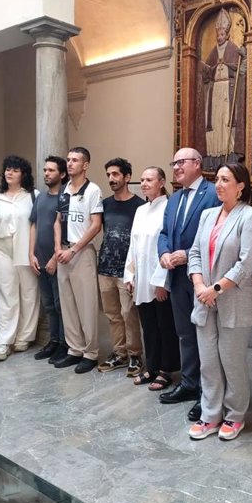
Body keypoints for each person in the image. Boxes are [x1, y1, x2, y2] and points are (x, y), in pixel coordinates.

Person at [187, 162, 252, 441]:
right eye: (216, 179)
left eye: (225, 179)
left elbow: (247, 263)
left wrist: (215, 289)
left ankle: (234, 416)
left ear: (241, 185)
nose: (218, 184)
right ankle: (210, 415)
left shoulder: (251, 217)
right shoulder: (208, 215)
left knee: (231, 362)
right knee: (208, 362)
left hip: (232, 301)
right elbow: (194, 252)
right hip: (204, 298)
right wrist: (199, 285)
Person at [158, 147, 220, 422]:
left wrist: (187, 253)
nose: (176, 167)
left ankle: (208, 393)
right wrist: (164, 253)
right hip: (176, 277)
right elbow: (164, 233)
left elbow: (217, 233)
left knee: (206, 336)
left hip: (203, 279)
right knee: (185, 334)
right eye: (174, 163)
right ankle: (189, 382)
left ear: (197, 164)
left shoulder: (212, 194)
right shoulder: (173, 199)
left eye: (181, 162)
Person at [123, 167, 180, 391]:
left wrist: (161, 282)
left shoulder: (169, 207)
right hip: (141, 278)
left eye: (149, 180)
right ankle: (152, 366)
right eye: (143, 180)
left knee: (164, 325)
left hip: (158, 280)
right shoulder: (140, 210)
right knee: (148, 326)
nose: (144, 183)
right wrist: (130, 274)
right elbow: (133, 245)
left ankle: (166, 370)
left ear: (162, 182)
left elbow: (167, 246)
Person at [53, 147, 104, 374]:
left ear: (85, 165)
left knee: (86, 305)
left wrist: (73, 250)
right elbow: (57, 221)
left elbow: (95, 225)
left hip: (81, 253)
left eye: (75, 160)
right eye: (68, 159)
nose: (70, 163)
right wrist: (57, 249)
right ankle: (74, 349)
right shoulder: (64, 190)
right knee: (68, 304)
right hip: (62, 252)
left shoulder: (92, 190)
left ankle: (90, 353)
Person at [0, 156, 40, 361]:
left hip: (26, 248)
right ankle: (3, 341)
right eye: (7, 169)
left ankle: (24, 336)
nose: (10, 173)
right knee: (5, 294)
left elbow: (37, 223)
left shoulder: (33, 195)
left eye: (15, 170)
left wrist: (34, 252)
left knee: (28, 292)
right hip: (1, 248)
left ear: (23, 174)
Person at [97, 158, 145, 377]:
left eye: (115, 174)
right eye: (108, 175)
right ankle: (119, 352)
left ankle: (135, 354)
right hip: (105, 267)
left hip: (127, 270)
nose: (111, 179)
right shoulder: (105, 204)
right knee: (112, 313)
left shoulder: (140, 206)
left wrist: (134, 271)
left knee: (128, 313)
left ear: (127, 177)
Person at [29, 156, 68, 363]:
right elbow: (34, 225)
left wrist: (55, 258)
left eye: (51, 170)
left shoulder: (65, 198)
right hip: (40, 260)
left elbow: (65, 232)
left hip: (58, 261)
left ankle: (64, 343)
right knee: (49, 305)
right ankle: (53, 341)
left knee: (61, 304)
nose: (46, 174)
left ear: (62, 175)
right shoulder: (40, 198)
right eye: (45, 170)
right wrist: (31, 254)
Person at [201, 7, 246, 168]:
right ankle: (215, 159)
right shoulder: (214, 51)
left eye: (222, 34)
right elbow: (207, 71)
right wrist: (206, 68)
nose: (219, 37)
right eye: (217, 35)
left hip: (228, 88)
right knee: (216, 122)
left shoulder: (233, 48)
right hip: (215, 92)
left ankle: (230, 156)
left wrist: (243, 57)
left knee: (227, 121)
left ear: (227, 34)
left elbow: (240, 68)